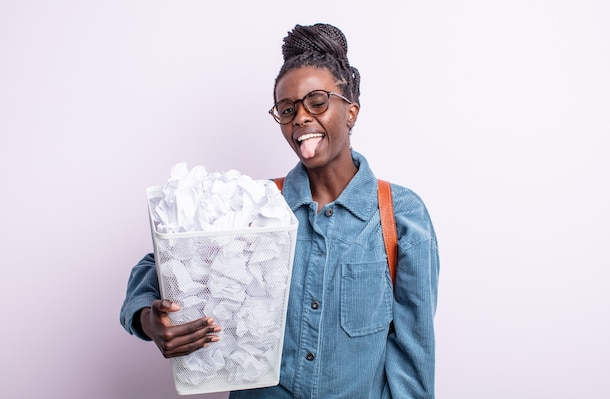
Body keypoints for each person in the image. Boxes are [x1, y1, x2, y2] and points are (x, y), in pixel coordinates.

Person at [120, 23, 440, 398]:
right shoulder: (255, 205)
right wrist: (148, 319)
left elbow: (413, 358)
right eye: (287, 109)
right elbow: (163, 260)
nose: (301, 118)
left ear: (351, 111)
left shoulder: (400, 217)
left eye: (317, 101)